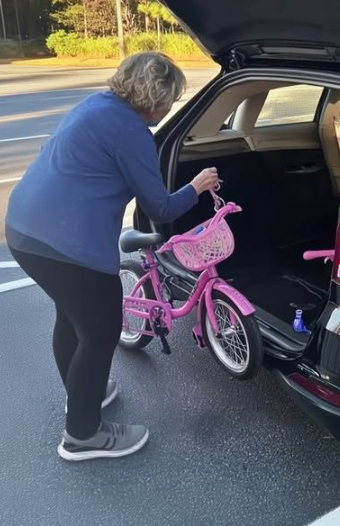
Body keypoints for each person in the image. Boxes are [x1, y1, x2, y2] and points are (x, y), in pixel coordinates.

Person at [6, 52, 220, 462]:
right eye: (170, 100)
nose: (169, 107)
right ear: (156, 99)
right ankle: (82, 435)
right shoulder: (132, 133)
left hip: (25, 230)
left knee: (73, 318)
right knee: (100, 332)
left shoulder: (97, 105)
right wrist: (195, 186)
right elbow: (161, 208)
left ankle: (81, 395)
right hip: (67, 245)